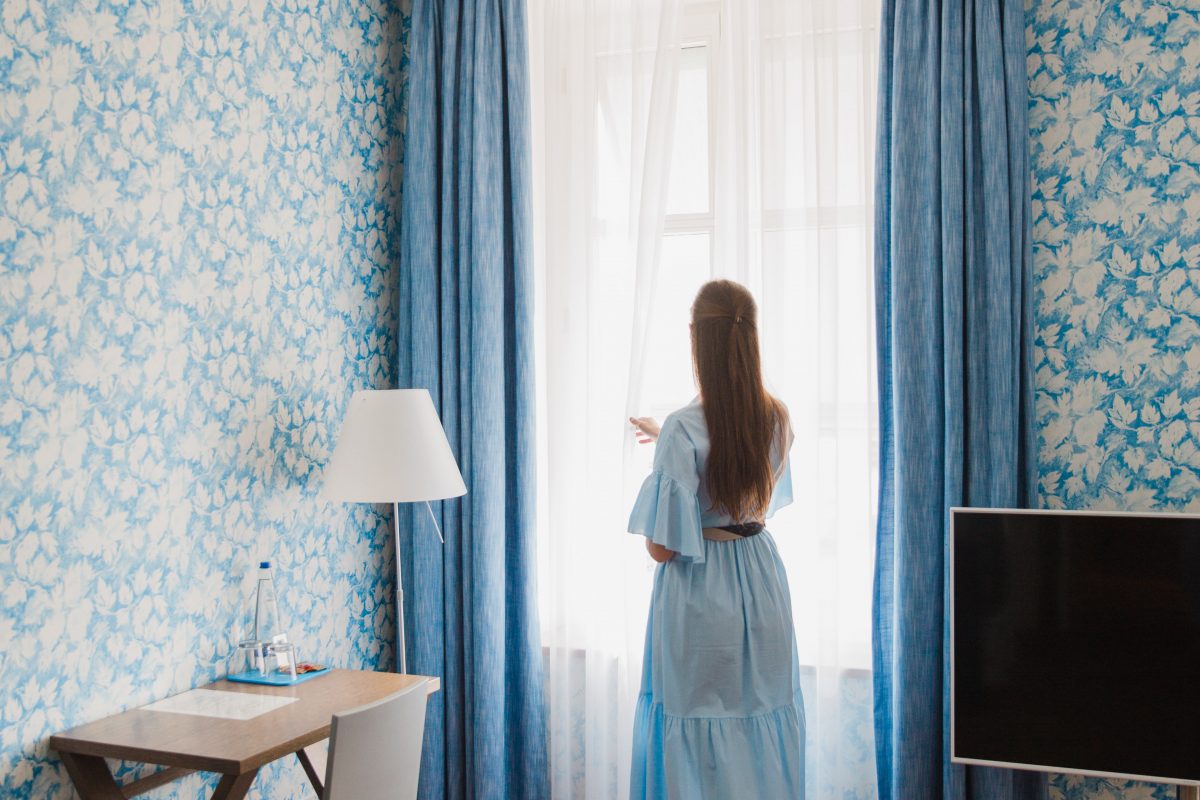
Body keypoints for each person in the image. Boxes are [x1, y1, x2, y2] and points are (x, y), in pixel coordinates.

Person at [626, 279, 804, 800]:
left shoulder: (684, 428)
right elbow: (746, 486)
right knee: (761, 720)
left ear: (694, 339)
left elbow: (664, 548)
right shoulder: (776, 416)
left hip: (703, 590)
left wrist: (668, 456)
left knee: (697, 728)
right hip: (761, 578)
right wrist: (670, 443)